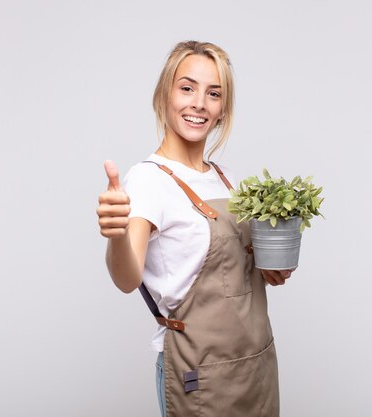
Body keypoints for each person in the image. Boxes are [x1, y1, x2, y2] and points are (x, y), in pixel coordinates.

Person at [97, 40, 293, 417]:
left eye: (213, 93)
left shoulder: (227, 180)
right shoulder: (147, 180)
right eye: (187, 88)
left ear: (222, 110)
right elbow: (126, 278)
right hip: (200, 374)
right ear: (163, 96)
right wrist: (117, 233)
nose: (199, 103)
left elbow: (232, 275)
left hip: (256, 365)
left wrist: (268, 268)